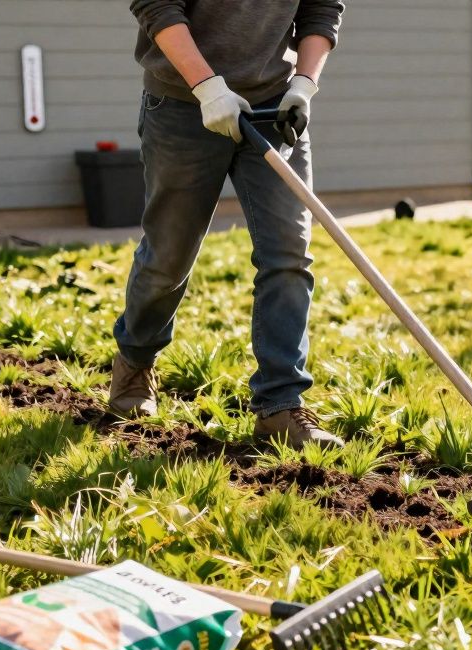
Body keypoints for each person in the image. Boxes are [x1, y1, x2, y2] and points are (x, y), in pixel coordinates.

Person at [115, 0, 345, 449]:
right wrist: (207, 87)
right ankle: (135, 362)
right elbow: (157, 6)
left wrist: (304, 83)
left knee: (289, 253)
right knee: (169, 255)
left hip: (274, 106)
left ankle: (280, 404)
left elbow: (322, 8)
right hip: (182, 104)